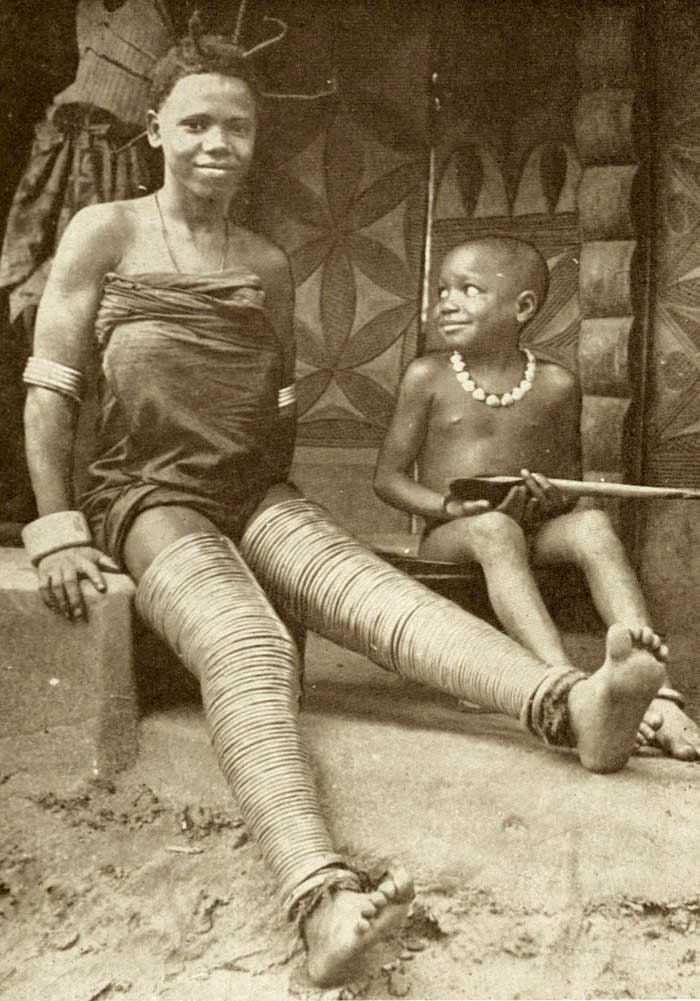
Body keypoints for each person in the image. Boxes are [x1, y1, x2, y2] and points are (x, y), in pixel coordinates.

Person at [21, 24, 668, 987]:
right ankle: (320, 903)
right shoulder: (103, 232)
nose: (215, 144)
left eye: (235, 127)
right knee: (250, 645)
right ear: (155, 127)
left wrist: (275, 534)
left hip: (250, 490)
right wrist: (58, 525)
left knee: (379, 597)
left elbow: (273, 412)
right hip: (145, 496)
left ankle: (574, 706)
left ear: (253, 140)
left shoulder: (270, 262)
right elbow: (51, 393)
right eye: (195, 122)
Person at [374, 235, 700, 763]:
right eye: (441, 291)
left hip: (522, 530)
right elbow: (387, 480)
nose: (446, 303)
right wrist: (447, 509)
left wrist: (545, 501)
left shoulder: (555, 384)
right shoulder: (427, 375)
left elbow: (565, 493)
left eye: (468, 290)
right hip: (454, 535)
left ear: (522, 307)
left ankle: (658, 693)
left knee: (593, 525)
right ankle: (567, 686)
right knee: (495, 530)